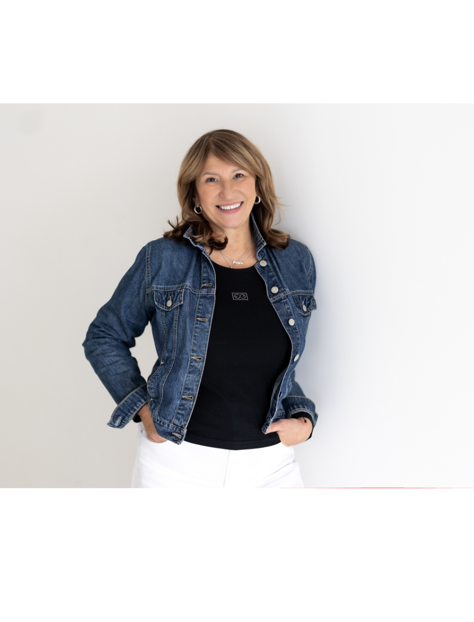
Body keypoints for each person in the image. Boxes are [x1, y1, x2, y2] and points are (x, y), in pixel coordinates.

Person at [82, 129, 318, 488]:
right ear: (194, 194)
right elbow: (104, 336)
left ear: (257, 185)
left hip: (270, 466)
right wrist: (143, 410)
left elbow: (279, 362)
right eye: (211, 179)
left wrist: (303, 418)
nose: (227, 191)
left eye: (238, 175)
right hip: (175, 463)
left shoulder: (295, 261)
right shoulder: (164, 259)